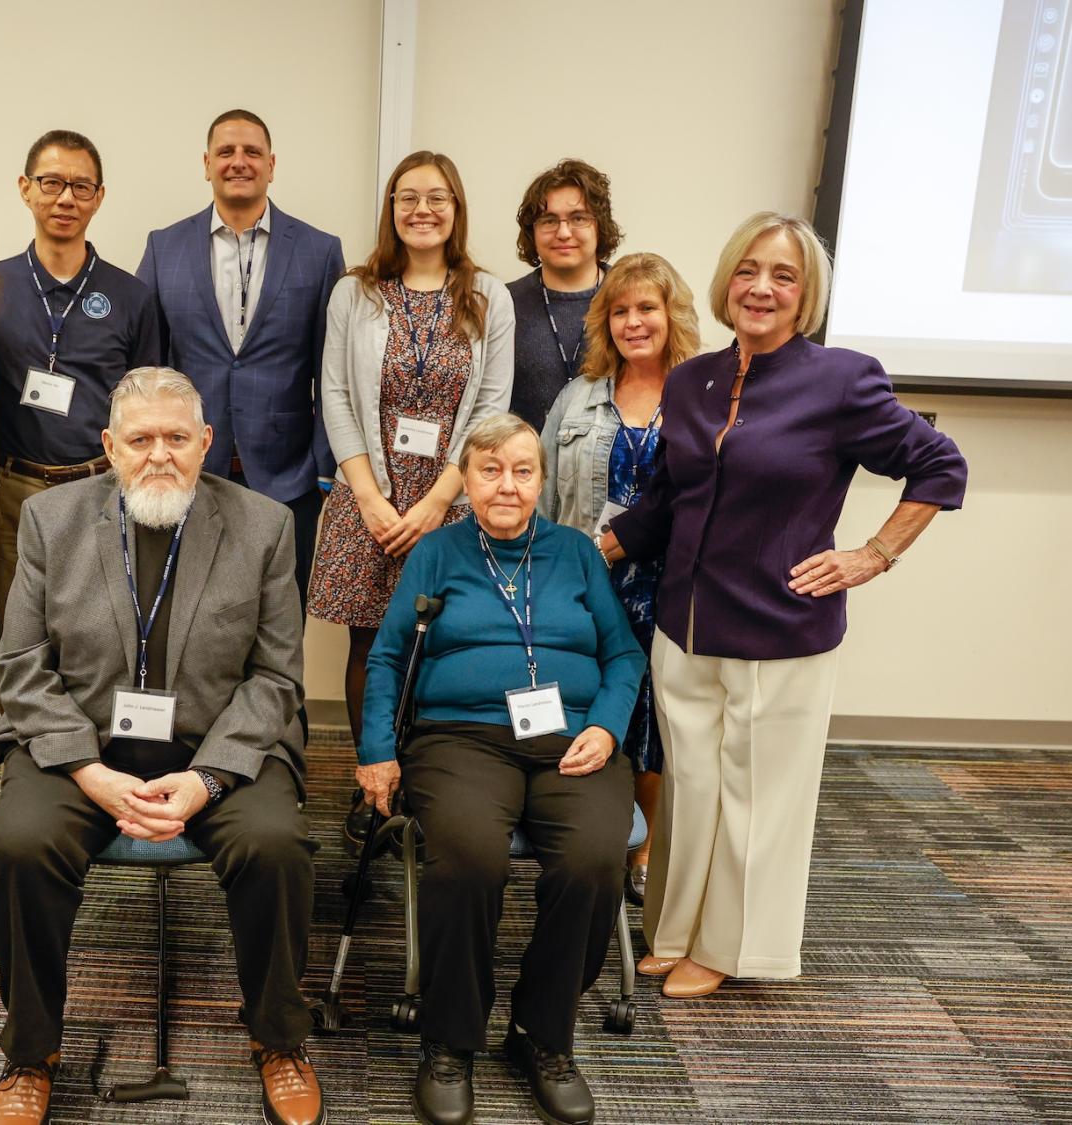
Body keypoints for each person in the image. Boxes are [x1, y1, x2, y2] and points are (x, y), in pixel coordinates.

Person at [599, 213, 968, 999]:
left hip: (782, 631)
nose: (762, 287)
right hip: (683, 626)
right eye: (749, 271)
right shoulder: (689, 380)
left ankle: (732, 946)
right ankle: (674, 930)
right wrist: (594, 549)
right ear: (727, 280)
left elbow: (939, 465)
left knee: (757, 797)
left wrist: (873, 553)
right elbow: (666, 502)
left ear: (806, 298)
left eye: (784, 276)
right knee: (692, 786)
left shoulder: (842, 379)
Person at [0, 367, 326, 1125]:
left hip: (218, 744)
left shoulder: (265, 525)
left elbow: (274, 677)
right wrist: (88, 770)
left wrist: (205, 779)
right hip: (82, 745)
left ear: (207, 443)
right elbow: (17, 665)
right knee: (18, 843)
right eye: (141, 439)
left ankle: (279, 1038)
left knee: (277, 845)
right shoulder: (49, 518)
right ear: (109, 445)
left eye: (177, 437)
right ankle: (31, 1050)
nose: (159, 454)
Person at [356, 414, 643, 1125]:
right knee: (468, 860)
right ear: (467, 479)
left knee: (592, 860)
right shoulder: (437, 552)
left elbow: (624, 656)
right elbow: (388, 656)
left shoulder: (577, 553)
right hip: (460, 739)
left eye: (522, 470)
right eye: (490, 470)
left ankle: (541, 1034)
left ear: (541, 480)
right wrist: (374, 748)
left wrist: (607, 727)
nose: (507, 485)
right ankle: (450, 1041)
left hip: (573, 739)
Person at [311, 150, 514, 766]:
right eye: (407, 197)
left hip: (452, 504)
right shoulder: (355, 291)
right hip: (367, 494)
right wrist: (373, 501)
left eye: (437, 198)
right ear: (391, 209)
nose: (421, 210)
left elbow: (491, 409)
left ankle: (429, 782)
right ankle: (371, 779)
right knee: (371, 648)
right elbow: (336, 396)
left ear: (457, 209)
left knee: (445, 648)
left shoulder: (488, 296)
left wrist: (435, 504)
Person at [540, 252, 702, 904]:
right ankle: (586, 832)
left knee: (657, 726)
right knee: (584, 708)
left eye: (648, 308)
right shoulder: (578, 395)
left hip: (672, 588)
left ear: (672, 315)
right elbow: (544, 493)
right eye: (621, 310)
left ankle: (644, 847)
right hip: (587, 583)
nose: (634, 322)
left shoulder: (704, 394)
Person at [0, 130, 160, 699]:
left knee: (101, 628)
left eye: (81, 186)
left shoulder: (131, 297)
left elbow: (146, 403)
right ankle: (21, 757)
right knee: (16, 630)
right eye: (52, 183)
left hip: (99, 490)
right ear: (25, 189)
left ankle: (90, 758)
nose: (65, 198)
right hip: (13, 489)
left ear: (99, 197)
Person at [137, 108, 344, 599]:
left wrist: (323, 468)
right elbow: (148, 367)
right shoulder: (165, 247)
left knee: (278, 617)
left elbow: (329, 369)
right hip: (185, 470)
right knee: (187, 613)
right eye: (226, 152)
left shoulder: (319, 250)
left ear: (271, 164)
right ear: (206, 163)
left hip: (288, 477)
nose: (239, 162)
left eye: (252, 152)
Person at [507, 159, 622, 431]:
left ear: (600, 225)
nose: (563, 232)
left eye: (578, 218)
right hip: (524, 468)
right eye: (548, 220)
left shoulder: (631, 299)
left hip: (610, 467)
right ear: (532, 231)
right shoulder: (503, 304)